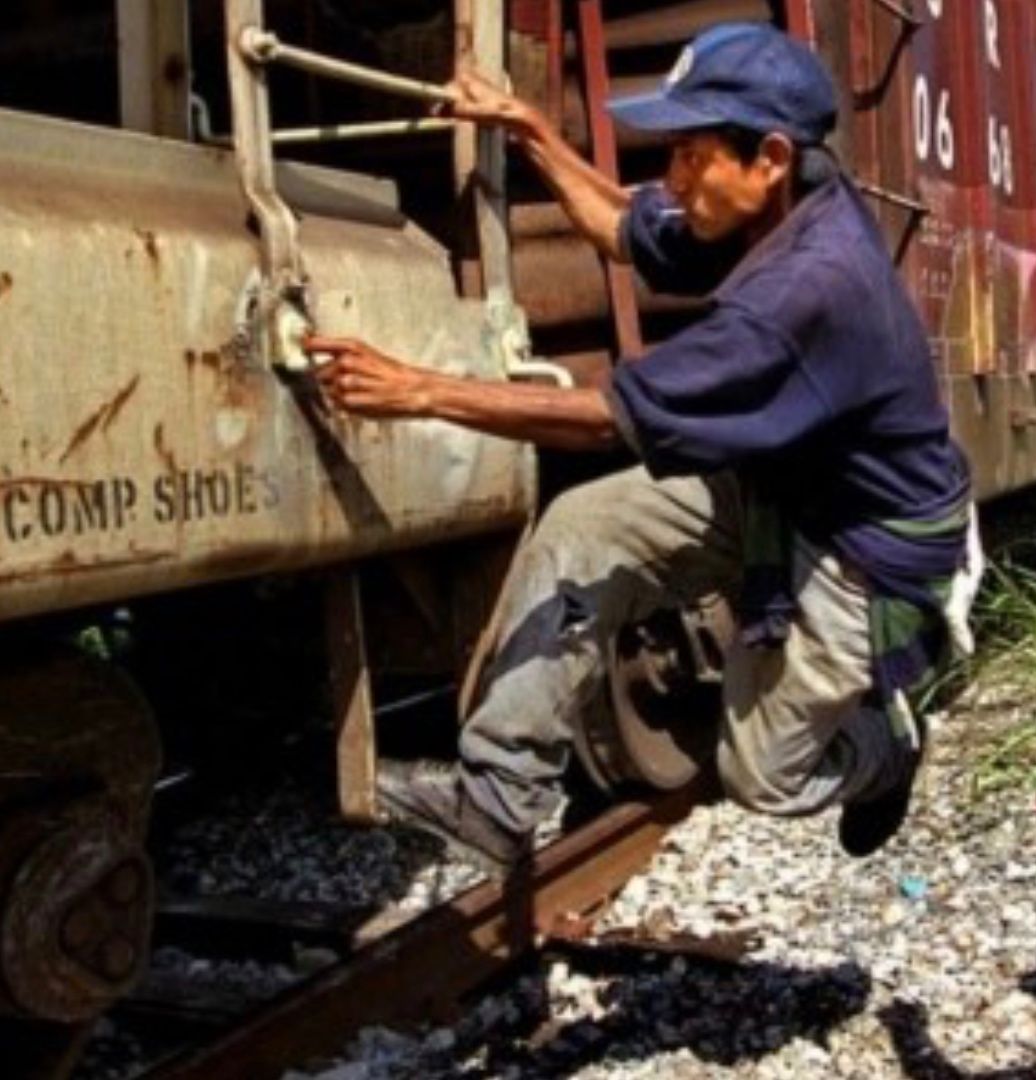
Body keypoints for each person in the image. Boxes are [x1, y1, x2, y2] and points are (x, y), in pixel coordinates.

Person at [307, 23, 977, 869]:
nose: (674, 179)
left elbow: (607, 416)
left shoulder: (808, 291)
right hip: (780, 486)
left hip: (861, 545)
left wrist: (419, 391)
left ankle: (886, 752)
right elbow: (628, 226)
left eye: (692, 156)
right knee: (587, 524)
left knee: (760, 778)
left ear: (768, 158)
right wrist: (528, 129)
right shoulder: (781, 194)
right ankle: (497, 797)